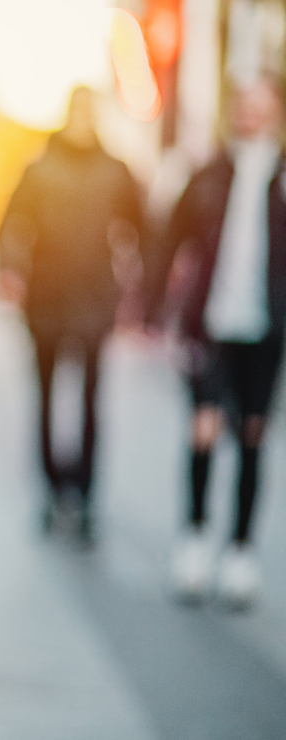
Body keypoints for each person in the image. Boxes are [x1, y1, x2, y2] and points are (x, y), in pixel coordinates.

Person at [145, 77, 286, 607]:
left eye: (260, 105)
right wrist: (158, 306)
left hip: (266, 328)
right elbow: (170, 235)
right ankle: (196, 538)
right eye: (243, 105)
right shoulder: (209, 172)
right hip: (210, 324)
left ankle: (242, 551)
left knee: (252, 433)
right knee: (203, 428)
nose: (249, 114)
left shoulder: (281, 176)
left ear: (275, 113)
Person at [0, 87, 145, 540]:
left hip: (94, 300)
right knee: (44, 398)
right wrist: (11, 269)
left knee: (90, 401)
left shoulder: (116, 171)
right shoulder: (40, 168)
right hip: (46, 298)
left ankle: (83, 495)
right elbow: (9, 223)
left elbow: (140, 229)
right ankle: (49, 488)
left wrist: (134, 277)